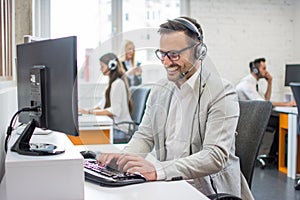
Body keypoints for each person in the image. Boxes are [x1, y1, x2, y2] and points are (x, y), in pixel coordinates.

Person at [97, 17, 253, 199]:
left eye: (174, 54)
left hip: (207, 190)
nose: (166, 62)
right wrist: (123, 160)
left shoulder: (221, 92)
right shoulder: (159, 90)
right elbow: (144, 136)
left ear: (199, 51)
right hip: (170, 183)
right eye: (162, 54)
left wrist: (158, 170)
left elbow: (214, 156)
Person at [236, 58, 296, 161]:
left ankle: (273, 155)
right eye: (263, 68)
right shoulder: (247, 85)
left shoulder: (252, 83)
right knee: (280, 121)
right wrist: (288, 104)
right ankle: (274, 156)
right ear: (255, 70)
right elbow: (265, 104)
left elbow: (266, 100)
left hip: (253, 118)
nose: (266, 71)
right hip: (250, 121)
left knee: (279, 121)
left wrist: (270, 82)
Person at [79, 53, 133, 142]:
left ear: (112, 66)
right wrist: (85, 111)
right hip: (115, 127)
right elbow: (101, 106)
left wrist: (89, 112)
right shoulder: (111, 84)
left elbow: (115, 111)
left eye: (102, 66)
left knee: (90, 137)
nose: (100, 69)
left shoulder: (118, 83)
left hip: (121, 130)